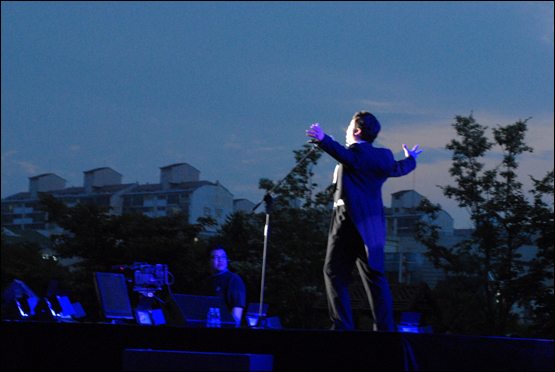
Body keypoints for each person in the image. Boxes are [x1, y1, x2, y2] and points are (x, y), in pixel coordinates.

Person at [306, 111, 422, 331]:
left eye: (350, 125)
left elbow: (345, 155)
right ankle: (385, 330)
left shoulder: (357, 155)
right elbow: (400, 168)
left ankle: (342, 327)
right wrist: (411, 159)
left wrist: (323, 139)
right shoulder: (384, 157)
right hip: (372, 226)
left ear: (357, 130)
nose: (347, 128)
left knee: (334, 273)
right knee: (375, 277)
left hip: (347, 221)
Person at [202, 244, 246, 327]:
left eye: (223, 257)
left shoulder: (234, 280)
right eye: (216, 257)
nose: (220, 260)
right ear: (208, 260)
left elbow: (237, 313)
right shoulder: (207, 281)